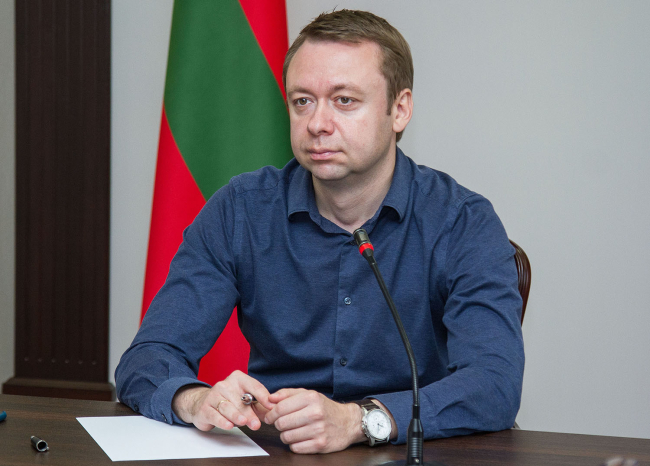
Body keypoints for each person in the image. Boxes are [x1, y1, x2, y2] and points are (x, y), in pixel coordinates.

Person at [116, 9, 524, 455]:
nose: (316, 124)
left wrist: (358, 420)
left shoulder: (463, 222)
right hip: (278, 449)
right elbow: (146, 359)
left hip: (411, 452)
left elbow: (494, 384)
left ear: (399, 109)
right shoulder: (241, 211)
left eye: (344, 100)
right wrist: (195, 400)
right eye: (302, 101)